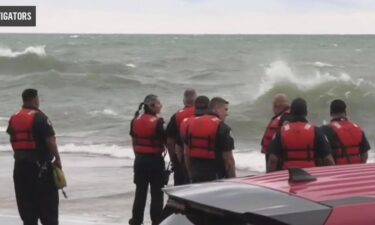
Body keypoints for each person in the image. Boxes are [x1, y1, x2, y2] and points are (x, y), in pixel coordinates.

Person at [7, 88, 62, 225]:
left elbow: (13, 139)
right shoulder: (40, 117)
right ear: (35, 99)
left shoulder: (14, 118)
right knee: (48, 213)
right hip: (40, 169)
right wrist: (58, 159)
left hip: (19, 169)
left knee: (28, 213)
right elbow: (50, 140)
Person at [268, 98, 335, 172]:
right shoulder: (316, 131)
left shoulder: (280, 131)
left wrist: (270, 178)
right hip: (311, 175)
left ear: (291, 112)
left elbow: (273, 160)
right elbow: (328, 159)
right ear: (306, 112)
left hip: (288, 176)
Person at [129, 94, 166, 225]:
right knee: (157, 193)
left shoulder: (135, 120)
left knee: (140, 192)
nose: (161, 106)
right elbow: (167, 139)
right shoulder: (159, 122)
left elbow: (134, 141)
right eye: (159, 104)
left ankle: (136, 221)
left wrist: (138, 156)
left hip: (139, 160)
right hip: (155, 161)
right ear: (151, 106)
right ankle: (156, 221)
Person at [184, 97, 236, 183]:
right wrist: (233, 181)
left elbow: (186, 154)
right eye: (225, 109)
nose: (227, 114)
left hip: (196, 175)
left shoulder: (190, 124)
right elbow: (228, 160)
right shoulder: (223, 128)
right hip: (216, 177)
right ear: (216, 108)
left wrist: (191, 175)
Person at [321, 99, 370, 164]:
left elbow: (326, 157)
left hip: (337, 170)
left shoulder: (325, 129)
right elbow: (365, 154)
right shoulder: (357, 128)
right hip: (357, 169)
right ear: (345, 112)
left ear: (331, 113)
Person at [166, 89, 196, 185]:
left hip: (181, 158)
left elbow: (170, 141)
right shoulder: (204, 114)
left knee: (180, 189)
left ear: (184, 101)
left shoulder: (176, 116)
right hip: (200, 159)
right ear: (196, 100)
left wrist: (173, 159)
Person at [260, 93, 290, 167]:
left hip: (277, 159)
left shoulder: (284, 119)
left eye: (274, 105)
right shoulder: (286, 117)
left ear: (278, 106)